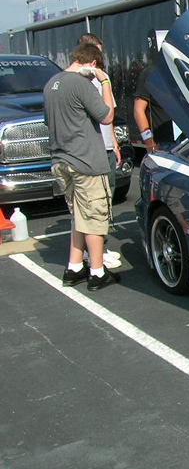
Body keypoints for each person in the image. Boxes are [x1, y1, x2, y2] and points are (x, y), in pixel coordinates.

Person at [45, 43, 120, 291]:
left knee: (78, 216)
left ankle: (74, 266)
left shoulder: (51, 84)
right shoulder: (81, 84)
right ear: (92, 64)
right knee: (94, 218)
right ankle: (97, 272)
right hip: (86, 161)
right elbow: (107, 115)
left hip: (61, 160)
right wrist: (105, 83)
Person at [77, 33, 122, 269]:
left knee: (107, 199)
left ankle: (99, 247)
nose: (100, 56)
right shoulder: (81, 82)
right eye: (96, 51)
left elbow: (109, 116)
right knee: (93, 202)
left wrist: (114, 143)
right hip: (90, 150)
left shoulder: (103, 79)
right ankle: (96, 251)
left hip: (105, 146)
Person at [133, 31, 173, 152]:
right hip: (163, 141)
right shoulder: (150, 73)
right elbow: (138, 110)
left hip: (186, 140)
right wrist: (149, 142)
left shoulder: (177, 70)